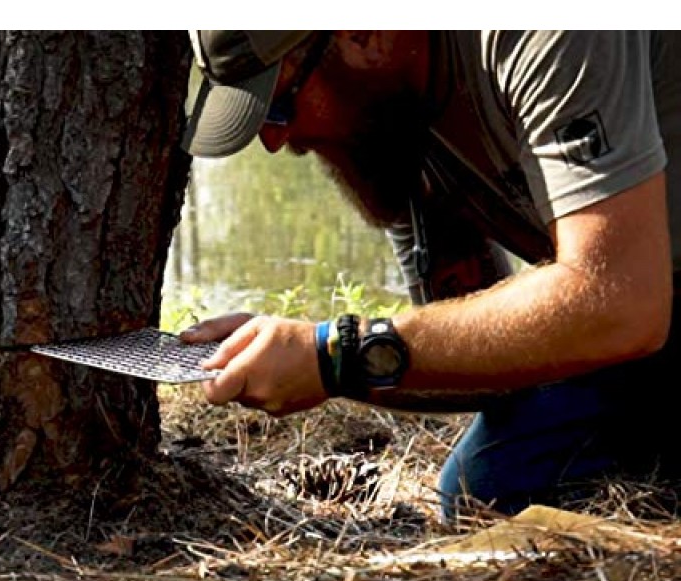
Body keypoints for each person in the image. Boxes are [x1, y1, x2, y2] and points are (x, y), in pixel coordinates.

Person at [180, 30, 681, 520]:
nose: (274, 140)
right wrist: (309, 359)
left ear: (363, 36)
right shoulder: (392, 119)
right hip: (649, 329)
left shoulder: (544, 34)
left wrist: (337, 354)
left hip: (643, 303)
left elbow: (620, 300)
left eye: (280, 104)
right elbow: (486, 365)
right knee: (487, 490)